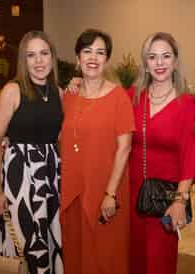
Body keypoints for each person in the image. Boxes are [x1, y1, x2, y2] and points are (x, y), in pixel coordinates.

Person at [0, 31, 64, 273]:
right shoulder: (12, 90)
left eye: (44, 53)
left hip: (50, 179)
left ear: (52, 58)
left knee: (49, 239)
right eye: (31, 55)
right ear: (24, 60)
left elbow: (63, 137)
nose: (39, 61)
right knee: (22, 241)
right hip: (18, 180)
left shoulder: (59, 94)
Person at [60, 29, 135, 274]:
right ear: (78, 58)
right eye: (87, 51)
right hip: (73, 191)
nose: (93, 58)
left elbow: (125, 148)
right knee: (75, 254)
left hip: (105, 190)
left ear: (107, 59)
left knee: (104, 257)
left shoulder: (118, 98)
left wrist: (110, 194)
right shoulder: (69, 96)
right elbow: (56, 133)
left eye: (100, 52)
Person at [128, 32, 195, 274]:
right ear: (145, 63)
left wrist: (180, 201)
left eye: (166, 56)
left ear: (175, 61)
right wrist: (76, 85)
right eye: (152, 57)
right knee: (133, 260)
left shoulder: (187, 103)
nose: (159, 63)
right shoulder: (133, 97)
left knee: (159, 263)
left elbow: (191, 155)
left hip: (165, 199)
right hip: (131, 195)